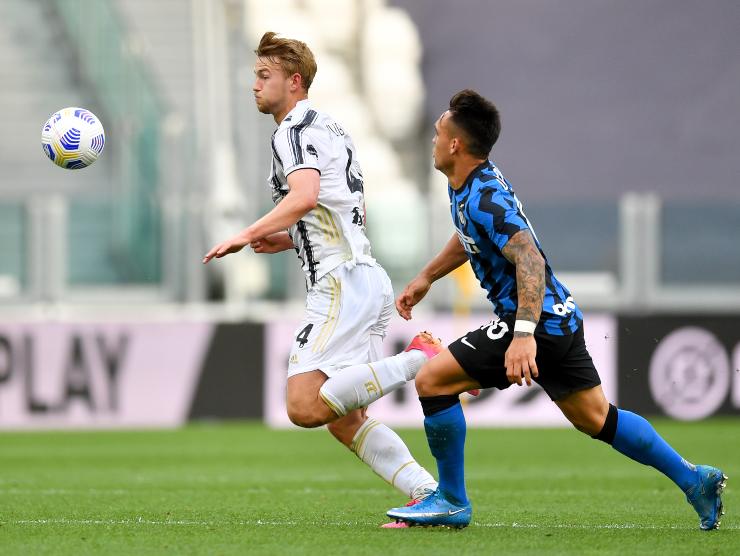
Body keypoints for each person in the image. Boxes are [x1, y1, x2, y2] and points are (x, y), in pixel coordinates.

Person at [384, 89, 727, 530]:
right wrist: (428, 275)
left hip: (534, 322)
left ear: (455, 145)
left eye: (437, 133)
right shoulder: (470, 188)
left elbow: (529, 259)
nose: (432, 140)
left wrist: (523, 334)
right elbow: (471, 234)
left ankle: (451, 500)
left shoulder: (486, 195)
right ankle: (694, 479)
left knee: (433, 379)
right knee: (597, 418)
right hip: (559, 317)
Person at [203, 32, 444, 503]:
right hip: (362, 274)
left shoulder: (292, 130)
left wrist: (247, 233)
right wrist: (294, 237)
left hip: (340, 283)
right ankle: (427, 492)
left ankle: (422, 358)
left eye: (264, 76)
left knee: (303, 405)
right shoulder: (332, 127)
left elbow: (306, 195)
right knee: (344, 420)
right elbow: (348, 207)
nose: (254, 85)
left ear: (294, 82)